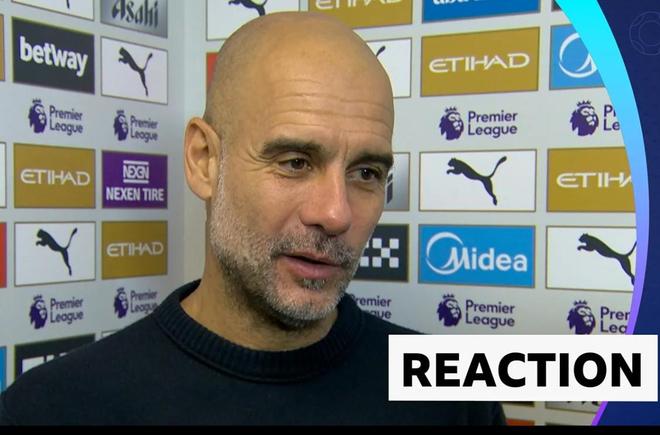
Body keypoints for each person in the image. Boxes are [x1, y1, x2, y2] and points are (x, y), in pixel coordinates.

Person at [0, 12, 505, 425]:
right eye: (295, 162)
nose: (335, 213)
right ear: (204, 161)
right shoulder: (52, 409)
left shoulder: (454, 398)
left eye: (366, 173)